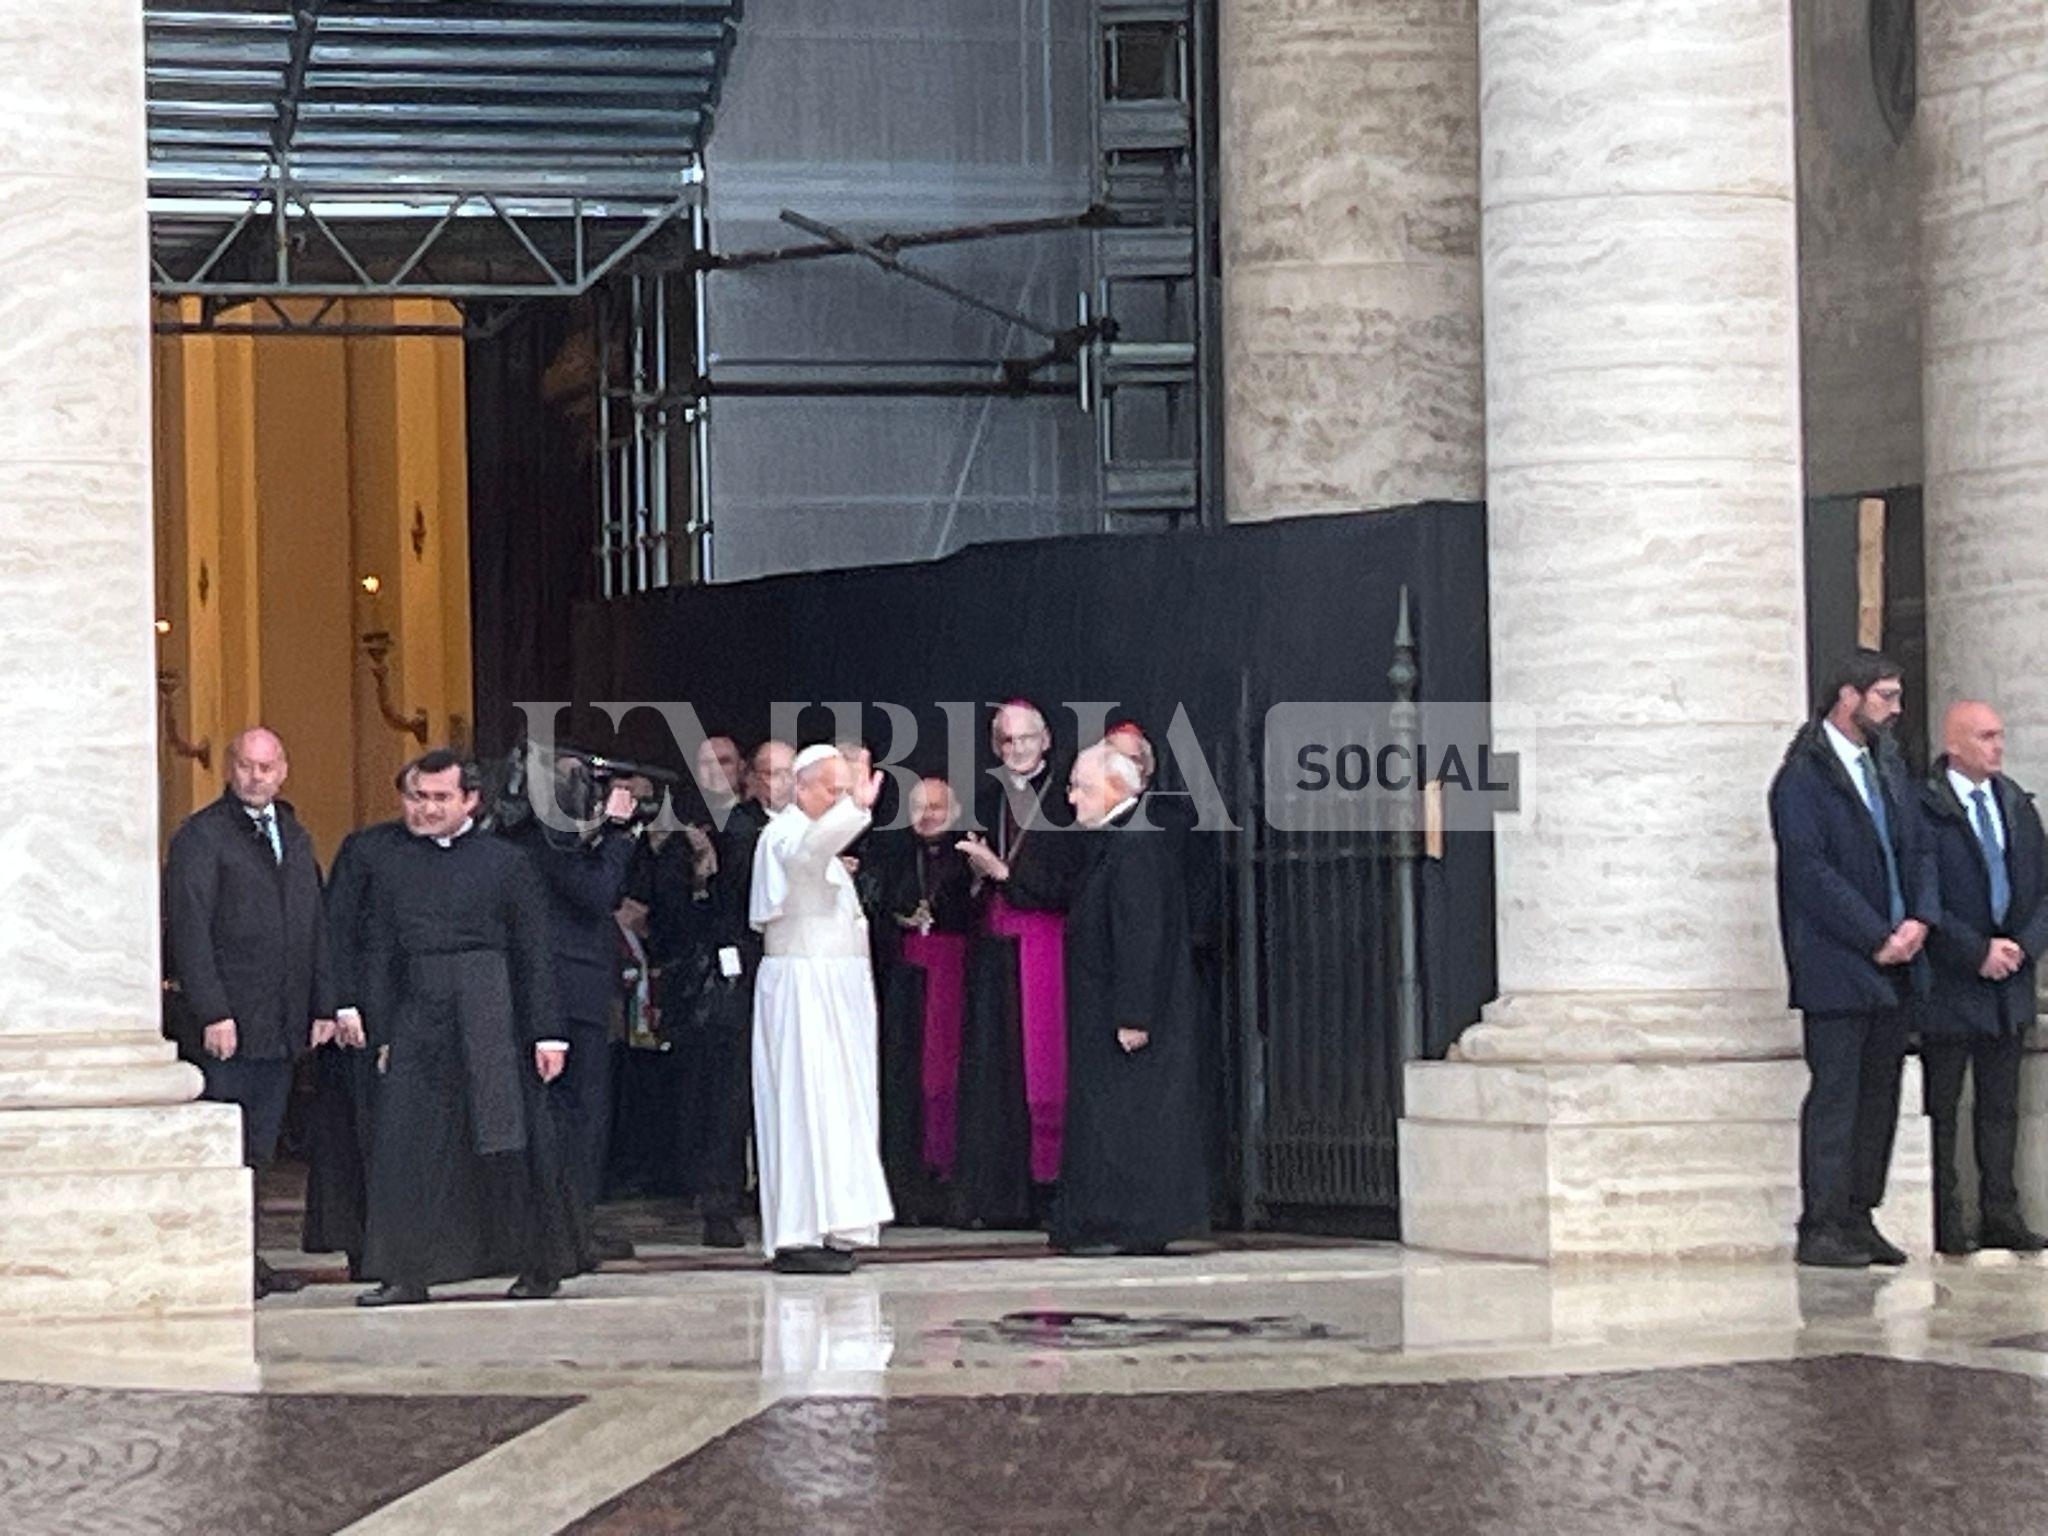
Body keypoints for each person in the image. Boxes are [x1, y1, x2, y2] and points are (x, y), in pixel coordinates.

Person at [354, 750, 592, 1306]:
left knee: (507, 1138)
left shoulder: (506, 863)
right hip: (418, 1006)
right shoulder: (386, 861)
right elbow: (378, 950)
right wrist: (380, 1026)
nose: (427, 809)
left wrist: (547, 1032)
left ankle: (537, 1265)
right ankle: (406, 1273)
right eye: (418, 797)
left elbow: (534, 949)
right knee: (407, 1142)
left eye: (440, 798)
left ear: (471, 801)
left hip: (492, 1008)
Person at [1769, 650, 1936, 1269]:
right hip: (1838, 963)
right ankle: (1821, 1223)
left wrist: (1920, 918)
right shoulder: (1804, 776)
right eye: (1885, 697)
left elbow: (1918, 848)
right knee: (1837, 1094)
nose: (1895, 709)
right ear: (1848, 695)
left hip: (1898, 958)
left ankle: (1860, 1212)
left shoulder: (1887, 765)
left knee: (1881, 1096)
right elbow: (1810, 872)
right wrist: (1874, 935)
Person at [162, 726, 340, 1298]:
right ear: (230, 769)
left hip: (282, 1023)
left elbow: (314, 924)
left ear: (283, 769)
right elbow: (190, 929)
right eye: (245, 766)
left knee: (260, 1148)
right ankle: (217, 1261)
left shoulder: (295, 832)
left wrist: (322, 1004)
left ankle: (248, 1259)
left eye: (267, 767)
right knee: (225, 1149)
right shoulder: (203, 836)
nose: (256, 777)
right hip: (230, 1027)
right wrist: (212, 1010)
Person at [1051, 742, 1209, 1254]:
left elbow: (1143, 934)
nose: (1072, 798)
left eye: (1082, 787)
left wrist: (1133, 1013)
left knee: (1130, 1120)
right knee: (1109, 1117)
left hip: (1124, 1014)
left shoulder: (1137, 845)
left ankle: (1129, 1222)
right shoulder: (1118, 842)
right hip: (1104, 1008)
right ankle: (1105, 1219)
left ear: (1116, 789)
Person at [750, 744, 894, 1273]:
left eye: (842, 792)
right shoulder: (784, 834)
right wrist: (856, 810)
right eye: (831, 791)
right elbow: (808, 857)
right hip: (804, 990)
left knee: (840, 1107)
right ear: (801, 788)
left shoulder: (813, 838)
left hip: (837, 990)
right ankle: (799, 1231)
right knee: (804, 1106)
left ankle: (838, 1223)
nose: (837, 801)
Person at [1918, 701, 2048, 1255]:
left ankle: (2001, 1210)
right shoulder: (1926, 806)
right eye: (1986, 737)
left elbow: (2043, 887)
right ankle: (1946, 1216)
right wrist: (1975, 952)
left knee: (2000, 1105)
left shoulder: (2015, 803)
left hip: (2009, 980)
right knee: (1944, 1106)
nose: (1997, 747)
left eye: (2000, 736)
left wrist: (2023, 946)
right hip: (1951, 981)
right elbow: (1925, 896)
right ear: (1956, 744)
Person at [505, 754, 640, 1252]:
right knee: (579, 1113)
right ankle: (569, 1226)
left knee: (575, 1112)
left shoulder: (531, 836)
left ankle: (565, 1221)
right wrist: (620, 834)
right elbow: (595, 890)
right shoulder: (545, 840)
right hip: (569, 990)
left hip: (569, 987)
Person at [955, 700, 1081, 1225]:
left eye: (1025, 739)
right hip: (996, 951)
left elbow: (1069, 883)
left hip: (1046, 947)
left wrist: (1005, 874)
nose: (1016, 749)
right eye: (1006, 741)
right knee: (997, 1075)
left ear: (1046, 740)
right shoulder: (986, 800)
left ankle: (1050, 1188)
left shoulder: (1067, 802)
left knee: (1047, 1071)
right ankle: (998, 1194)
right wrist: (978, 877)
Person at [686, 738, 795, 1248]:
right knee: (731, 1092)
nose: (781, 784)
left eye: (790, 773)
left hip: (796, 972)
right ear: (752, 779)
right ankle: (719, 1205)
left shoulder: (808, 825)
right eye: (770, 774)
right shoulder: (738, 827)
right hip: (746, 972)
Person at [301, 806, 408, 1278]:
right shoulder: (366, 849)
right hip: (366, 1014)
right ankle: (366, 1249)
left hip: (424, 1013)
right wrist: (341, 1003)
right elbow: (336, 928)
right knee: (362, 1136)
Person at [869, 776, 976, 1220]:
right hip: (908, 974)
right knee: (906, 1074)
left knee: (946, 1075)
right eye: (920, 806)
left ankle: (948, 1178)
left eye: (938, 806)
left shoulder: (967, 854)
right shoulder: (896, 854)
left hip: (953, 970)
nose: (928, 814)